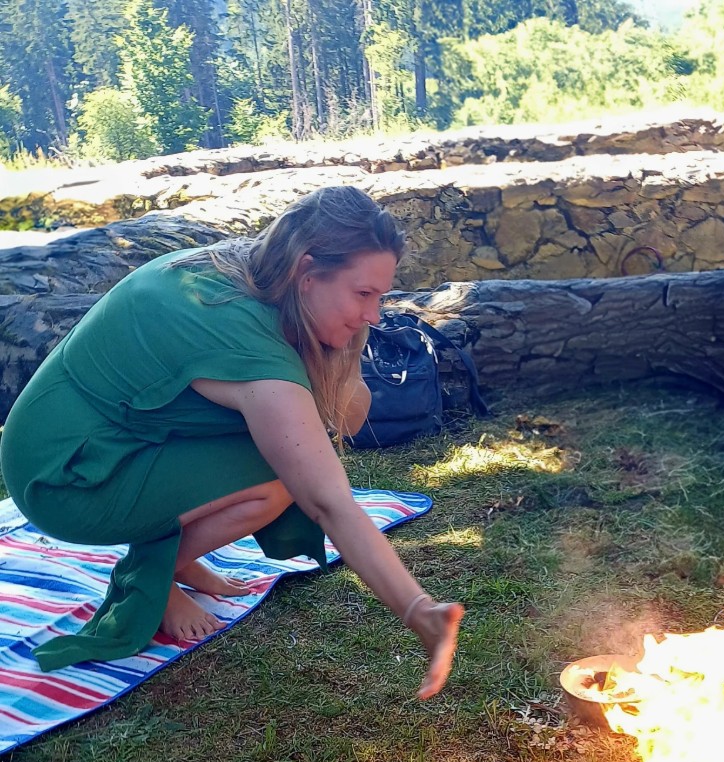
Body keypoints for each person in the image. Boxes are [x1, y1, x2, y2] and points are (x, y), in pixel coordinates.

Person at [0, 185, 464, 699]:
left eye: (379, 296)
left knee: (292, 452)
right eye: (363, 294)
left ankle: (171, 555)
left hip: (112, 435)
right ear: (307, 273)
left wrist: (346, 344)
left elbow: (350, 419)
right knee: (283, 478)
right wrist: (418, 610)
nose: (375, 314)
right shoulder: (242, 339)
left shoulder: (262, 275)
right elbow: (328, 499)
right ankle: (151, 577)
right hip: (62, 473)